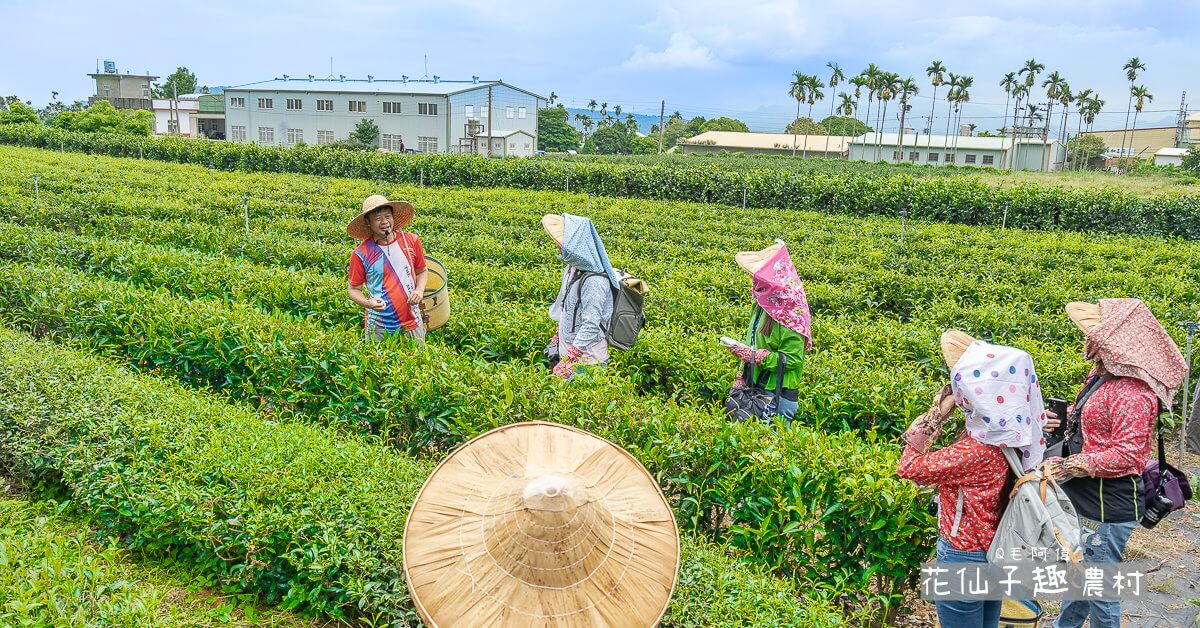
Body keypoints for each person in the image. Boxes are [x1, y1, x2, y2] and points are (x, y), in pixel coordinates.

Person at [1048, 299, 1187, 628]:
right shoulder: (1104, 376)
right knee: (1083, 577)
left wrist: (1069, 466)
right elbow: (1097, 424)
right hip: (1088, 497)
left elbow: (1127, 455)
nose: (1089, 343)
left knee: (1100, 588)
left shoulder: (1131, 393)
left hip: (1107, 505)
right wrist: (1062, 418)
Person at [897, 331, 1049, 628]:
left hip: (963, 556)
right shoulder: (1016, 439)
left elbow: (909, 466)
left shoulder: (975, 451)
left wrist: (936, 415)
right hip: (996, 553)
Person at [723, 240, 811, 421]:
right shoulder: (763, 305)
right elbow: (752, 342)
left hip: (776, 395)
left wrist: (754, 356)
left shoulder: (791, 313)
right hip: (754, 387)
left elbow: (793, 359)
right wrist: (741, 373)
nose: (753, 282)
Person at [541, 213, 617, 380]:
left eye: (562, 246)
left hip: (587, 362)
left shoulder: (595, 282)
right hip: (570, 355)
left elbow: (591, 325)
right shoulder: (573, 270)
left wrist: (569, 359)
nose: (559, 249)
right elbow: (568, 308)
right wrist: (558, 336)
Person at [346, 195, 429, 344]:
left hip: (413, 321)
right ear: (368, 222)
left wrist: (419, 290)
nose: (384, 222)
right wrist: (368, 303)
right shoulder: (361, 253)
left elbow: (422, 271)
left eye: (387, 216)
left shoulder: (411, 240)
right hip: (378, 326)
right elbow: (353, 289)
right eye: (378, 218)